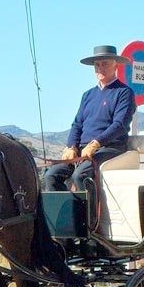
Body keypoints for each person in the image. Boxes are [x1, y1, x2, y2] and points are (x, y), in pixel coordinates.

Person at [45, 45, 136, 191]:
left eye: (105, 64)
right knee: (51, 175)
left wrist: (96, 143)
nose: (100, 68)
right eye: (97, 65)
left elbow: (120, 125)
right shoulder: (87, 95)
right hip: (83, 150)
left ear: (115, 65)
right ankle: (66, 213)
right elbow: (77, 124)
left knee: (80, 176)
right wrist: (71, 147)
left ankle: (89, 214)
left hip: (109, 148)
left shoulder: (124, 92)